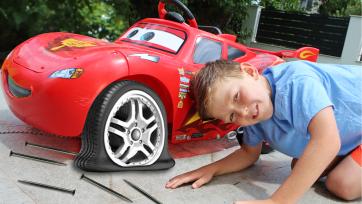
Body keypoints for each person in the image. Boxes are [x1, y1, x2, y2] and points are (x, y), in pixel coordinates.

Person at [165, 60, 362, 203]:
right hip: (349, 133)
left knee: (342, 184)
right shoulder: (255, 117)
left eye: (237, 96)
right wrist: (210, 169)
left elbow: (327, 142)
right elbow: (248, 154)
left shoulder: (295, 82)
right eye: (232, 116)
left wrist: (278, 201)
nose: (243, 112)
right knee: (302, 165)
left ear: (250, 72)